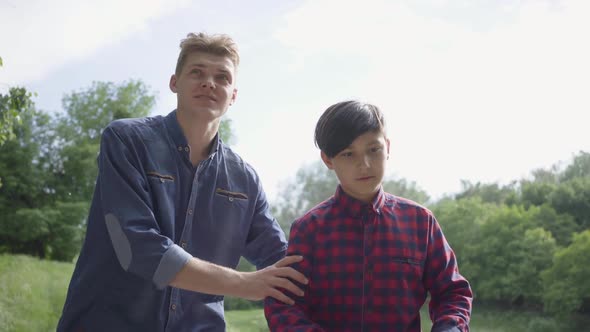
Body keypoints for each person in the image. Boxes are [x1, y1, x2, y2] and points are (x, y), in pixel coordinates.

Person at [57, 32, 307, 332]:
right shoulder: (126, 141)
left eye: (222, 77)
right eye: (197, 72)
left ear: (234, 96)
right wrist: (244, 283)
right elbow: (137, 248)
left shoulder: (245, 179)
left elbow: (284, 260)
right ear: (174, 82)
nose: (209, 83)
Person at [264, 100, 472, 331]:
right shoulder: (309, 229)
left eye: (374, 150)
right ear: (328, 160)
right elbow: (283, 305)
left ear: (388, 147)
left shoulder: (420, 222)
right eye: (348, 154)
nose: (364, 164)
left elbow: (453, 293)